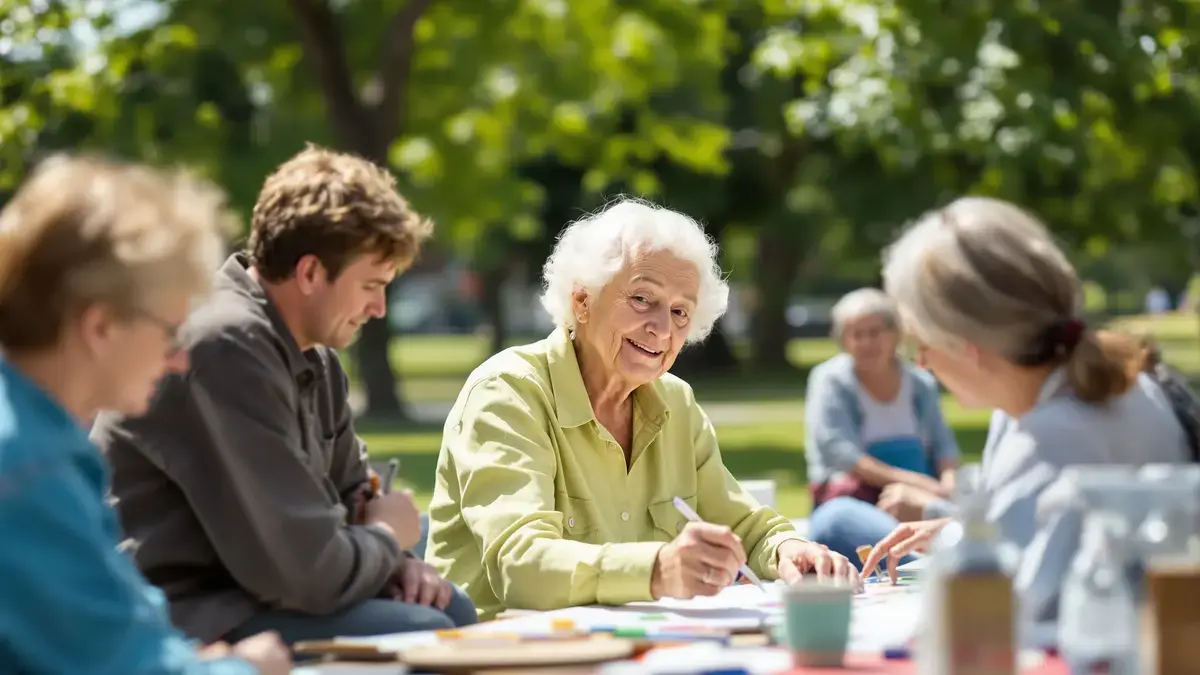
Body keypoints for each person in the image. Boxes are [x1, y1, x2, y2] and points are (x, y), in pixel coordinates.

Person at [90, 145, 476, 647]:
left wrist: (399, 564)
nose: (379, 308)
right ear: (311, 273)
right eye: (371, 286)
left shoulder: (311, 353)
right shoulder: (225, 346)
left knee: (450, 606)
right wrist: (387, 539)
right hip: (179, 610)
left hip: (254, 592)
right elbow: (311, 573)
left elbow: (353, 498)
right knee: (425, 633)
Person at [425, 198, 858, 621]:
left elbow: (744, 525)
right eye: (641, 299)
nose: (662, 328)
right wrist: (657, 570)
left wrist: (789, 550)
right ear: (582, 301)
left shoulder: (675, 402)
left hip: (632, 650)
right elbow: (522, 566)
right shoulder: (507, 394)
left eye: (680, 311)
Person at [0, 156, 291, 674]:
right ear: (100, 326)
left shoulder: (33, 444)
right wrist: (248, 669)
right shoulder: (29, 471)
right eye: (171, 329)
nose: (181, 358)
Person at [859, 196, 1189, 620]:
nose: (920, 362)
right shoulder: (1126, 385)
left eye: (920, 343)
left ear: (966, 344)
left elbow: (1009, 624)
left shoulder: (1049, 434)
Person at [804, 288, 960, 567]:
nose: (866, 342)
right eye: (856, 334)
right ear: (843, 340)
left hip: (921, 499)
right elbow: (842, 454)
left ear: (894, 334)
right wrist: (918, 484)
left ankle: (939, 554)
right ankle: (919, 562)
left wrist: (947, 486)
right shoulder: (830, 381)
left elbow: (943, 445)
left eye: (875, 332)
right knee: (836, 521)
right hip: (859, 501)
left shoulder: (920, 383)